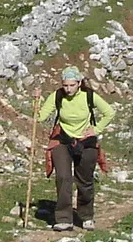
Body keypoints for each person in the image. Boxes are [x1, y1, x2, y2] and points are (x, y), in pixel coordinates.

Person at [35, 65, 116, 231]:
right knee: (63, 177)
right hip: (63, 140)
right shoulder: (57, 96)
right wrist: (36, 100)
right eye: (65, 85)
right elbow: (40, 117)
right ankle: (64, 218)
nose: (68, 89)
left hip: (86, 142)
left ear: (79, 83)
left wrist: (96, 129)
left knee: (85, 180)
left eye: (72, 85)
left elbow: (109, 112)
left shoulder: (89, 96)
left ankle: (86, 216)